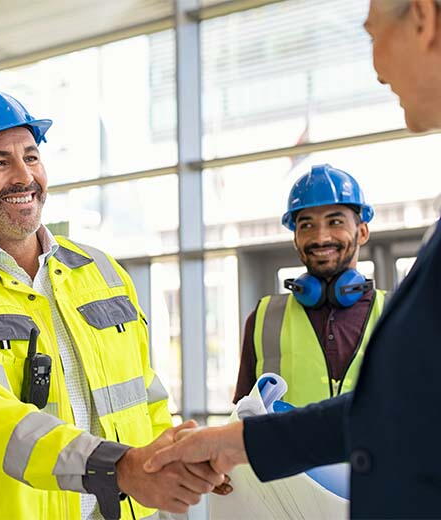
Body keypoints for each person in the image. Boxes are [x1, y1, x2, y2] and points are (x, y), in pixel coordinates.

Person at [144, 1, 441, 518]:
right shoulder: (266, 319)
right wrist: (237, 444)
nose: (373, 66)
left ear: (423, 18)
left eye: (372, 33)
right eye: (306, 223)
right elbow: (386, 414)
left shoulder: (394, 307)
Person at [0, 85, 223, 520]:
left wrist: (176, 461)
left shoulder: (102, 272)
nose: (24, 177)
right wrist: (117, 466)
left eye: (30, 156)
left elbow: (145, 398)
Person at [234, 164, 387, 407]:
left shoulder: (396, 312)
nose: (320, 237)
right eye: (306, 225)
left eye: (335, 222)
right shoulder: (264, 320)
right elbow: (243, 418)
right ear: (295, 238)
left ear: (362, 231)